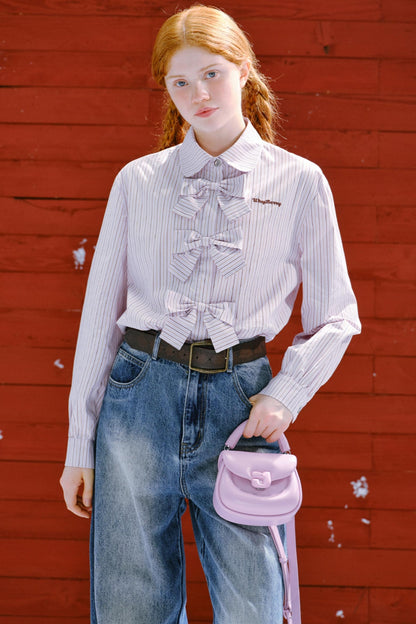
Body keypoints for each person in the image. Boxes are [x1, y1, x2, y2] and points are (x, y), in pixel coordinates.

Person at [59, 5, 361, 623]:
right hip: (138, 397)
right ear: (166, 89)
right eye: (179, 81)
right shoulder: (137, 182)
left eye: (212, 74)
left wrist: (286, 394)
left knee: (255, 605)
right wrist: (78, 446)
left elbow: (337, 315)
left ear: (244, 71)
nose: (198, 93)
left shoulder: (301, 182)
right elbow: (99, 318)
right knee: (129, 606)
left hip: (242, 408)